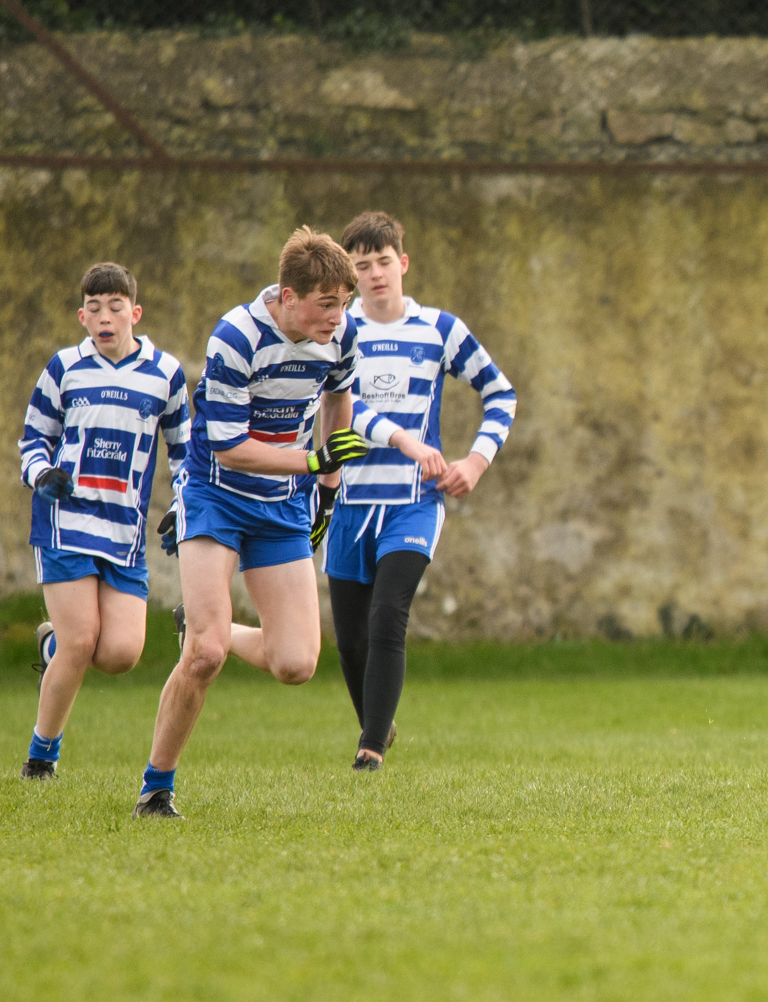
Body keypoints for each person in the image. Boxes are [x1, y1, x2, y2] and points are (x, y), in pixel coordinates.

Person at [134, 227, 370, 818]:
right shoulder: (236, 336)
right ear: (289, 297)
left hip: (284, 504)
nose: (337, 318)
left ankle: (207, 627)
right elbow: (232, 447)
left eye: (343, 304)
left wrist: (329, 483)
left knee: (296, 664)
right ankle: (155, 789)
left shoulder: (341, 336)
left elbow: (337, 398)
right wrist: (312, 461)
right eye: (326, 305)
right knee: (205, 658)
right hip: (217, 495)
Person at [314, 210, 517, 771]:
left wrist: (475, 461)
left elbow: (501, 394)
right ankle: (380, 721)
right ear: (352, 278)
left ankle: (370, 749)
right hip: (352, 503)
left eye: (384, 262)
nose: (376, 274)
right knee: (351, 642)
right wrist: (405, 439)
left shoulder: (440, 331)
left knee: (388, 616)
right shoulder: (340, 333)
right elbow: (346, 412)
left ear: (403, 263)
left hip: (413, 504)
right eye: (363, 266)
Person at [18, 262, 190, 780]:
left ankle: (52, 646)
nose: (105, 316)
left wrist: (183, 508)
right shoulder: (64, 367)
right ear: (82, 317)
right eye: (94, 309)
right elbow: (33, 440)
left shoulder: (166, 374)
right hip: (65, 523)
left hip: (125, 534)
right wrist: (41, 473)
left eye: (116, 306)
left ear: (135, 313)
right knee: (80, 639)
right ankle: (40, 759)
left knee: (119, 654)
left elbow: (187, 456)